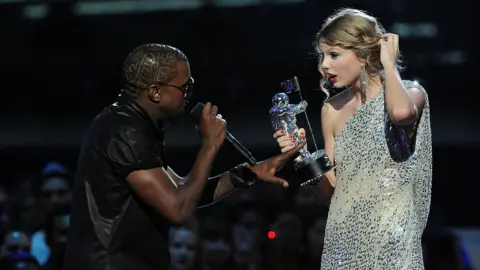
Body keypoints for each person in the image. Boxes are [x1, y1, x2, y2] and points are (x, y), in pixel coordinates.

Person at [63, 43, 305, 270]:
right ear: (155, 92)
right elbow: (178, 210)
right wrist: (210, 145)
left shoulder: (133, 126)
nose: (188, 95)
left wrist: (246, 174)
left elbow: (183, 190)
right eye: (184, 88)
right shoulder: (124, 130)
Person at [274, 8, 432, 269]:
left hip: (393, 249)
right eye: (322, 55)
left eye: (334, 54)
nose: (324, 65)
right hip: (344, 247)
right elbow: (332, 192)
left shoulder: (412, 93)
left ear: (362, 55)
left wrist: (388, 64)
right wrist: (301, 156)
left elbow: (400, 113)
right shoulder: (331, 111)